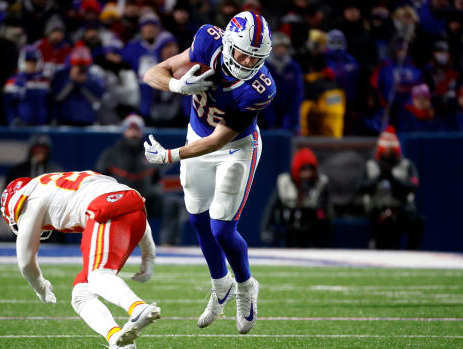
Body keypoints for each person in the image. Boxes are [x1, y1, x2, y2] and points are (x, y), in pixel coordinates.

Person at [142, 11, 276, 334]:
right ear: (228, 41)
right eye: (243, 51)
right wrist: (177, 85)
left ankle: (245, 286)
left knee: (221, 228)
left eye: (255, 56)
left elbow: (218, 140)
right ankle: (221, 285)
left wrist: (170, 155)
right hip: (197, 135)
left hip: (235, 148)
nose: (247, 60)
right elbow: (152, 73)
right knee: (196, 218)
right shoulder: (207, 41)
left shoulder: (260, 88)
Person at [0, 171, 159, 349]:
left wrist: (40, 287)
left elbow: (26, 260)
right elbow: (129, 203)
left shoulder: (30, 200)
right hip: (133, 208)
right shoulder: (51, 186)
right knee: (82, 294)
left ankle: (137, 308)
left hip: (106, 208)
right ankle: (118, 342)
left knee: (98, 276)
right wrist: (148, 256)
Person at [96, 114, 185, 246]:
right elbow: (99, 181)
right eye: (130, 129)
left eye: (136, 130)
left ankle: (168, 245)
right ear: (124, 131)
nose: (133, 133)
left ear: (141, 132)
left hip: (147, 202)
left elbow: (157, 180)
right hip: (120, 203)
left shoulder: (150, 152)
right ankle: (105, 244)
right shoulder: (110, 155)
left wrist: (152, 191)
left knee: (172, 203)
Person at [361, 127, 424, 250]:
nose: (388, 157)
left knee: (418, 221)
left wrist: (392, 179)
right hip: (378, 210)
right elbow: (362, 187)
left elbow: (413, 186)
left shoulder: (406, 165)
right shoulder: (371, 165)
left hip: (401, 209)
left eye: (392, 153)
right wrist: (379, 177)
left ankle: (412, 254)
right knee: (385, 238)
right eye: (386, 152)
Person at [261, 148, 331, 247]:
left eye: (310, 169)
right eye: (303, 169)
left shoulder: (320, 183)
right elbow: (271, 207)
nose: (307, 173)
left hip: (312, 232)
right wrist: (265, 229)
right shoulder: (284, 182)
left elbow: (324, 211)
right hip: (288, 231)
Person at [263, 32, 303, 133]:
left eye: (283, 47)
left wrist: (295, 121)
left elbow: (297, 93)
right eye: (278, 47)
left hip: (287, 112)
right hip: (266, 112)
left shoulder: (293, 67)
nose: (281, 49)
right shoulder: (264, 66)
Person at [3, 46, 51, 126]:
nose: (31, 65)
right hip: (21, 126)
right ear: (22, 61)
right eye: (27, 61)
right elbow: (8, 105)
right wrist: (12, 120)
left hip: (42, 124)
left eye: (34, 62)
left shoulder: (44, 81)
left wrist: (52, 119)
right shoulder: (13, 81)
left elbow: (50, 103)